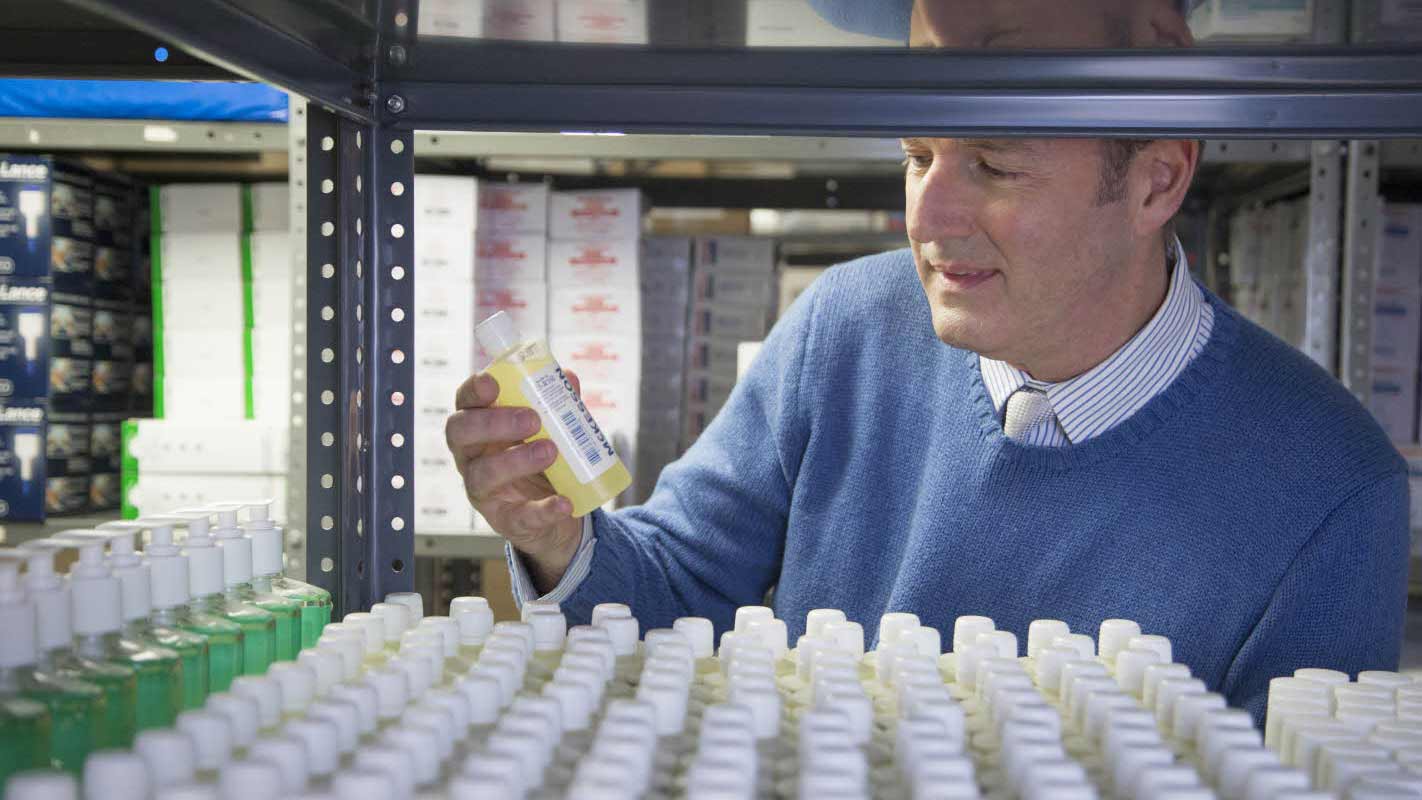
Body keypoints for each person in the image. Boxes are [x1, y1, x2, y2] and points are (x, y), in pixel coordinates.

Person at [445, 0, 1408, 718]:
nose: (927, 219)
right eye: (915, 154)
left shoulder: (1327, 488)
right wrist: (560, 539)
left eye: (993, 165)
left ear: (1158, 176)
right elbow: (667, 594)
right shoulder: (848, 326)